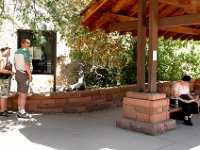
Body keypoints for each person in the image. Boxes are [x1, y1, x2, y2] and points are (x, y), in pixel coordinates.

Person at [14, 39, 32, 119]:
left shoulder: (16, 51)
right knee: (23, 95)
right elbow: (26, 64)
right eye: (27, 43)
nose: (29, 45)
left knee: (21, 94)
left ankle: (19, 111)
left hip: (18, 73)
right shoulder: (26, 51)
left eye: (29, 43)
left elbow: (14, 63)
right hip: (23, 74)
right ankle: (22, 112)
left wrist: (18, 70)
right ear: (22, 43)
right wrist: (30, 75)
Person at [0, 47, 14, 117]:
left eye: (9, 50)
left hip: (7, 79)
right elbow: (1, 70)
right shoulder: (3, 59)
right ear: (4, 52)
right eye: (8, 50)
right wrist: (10, 72)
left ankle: (5, 110)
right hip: (4, 79)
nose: (9, 51)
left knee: (6, 94)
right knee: (3, 94)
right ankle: (2, 111)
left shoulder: (6, 59)